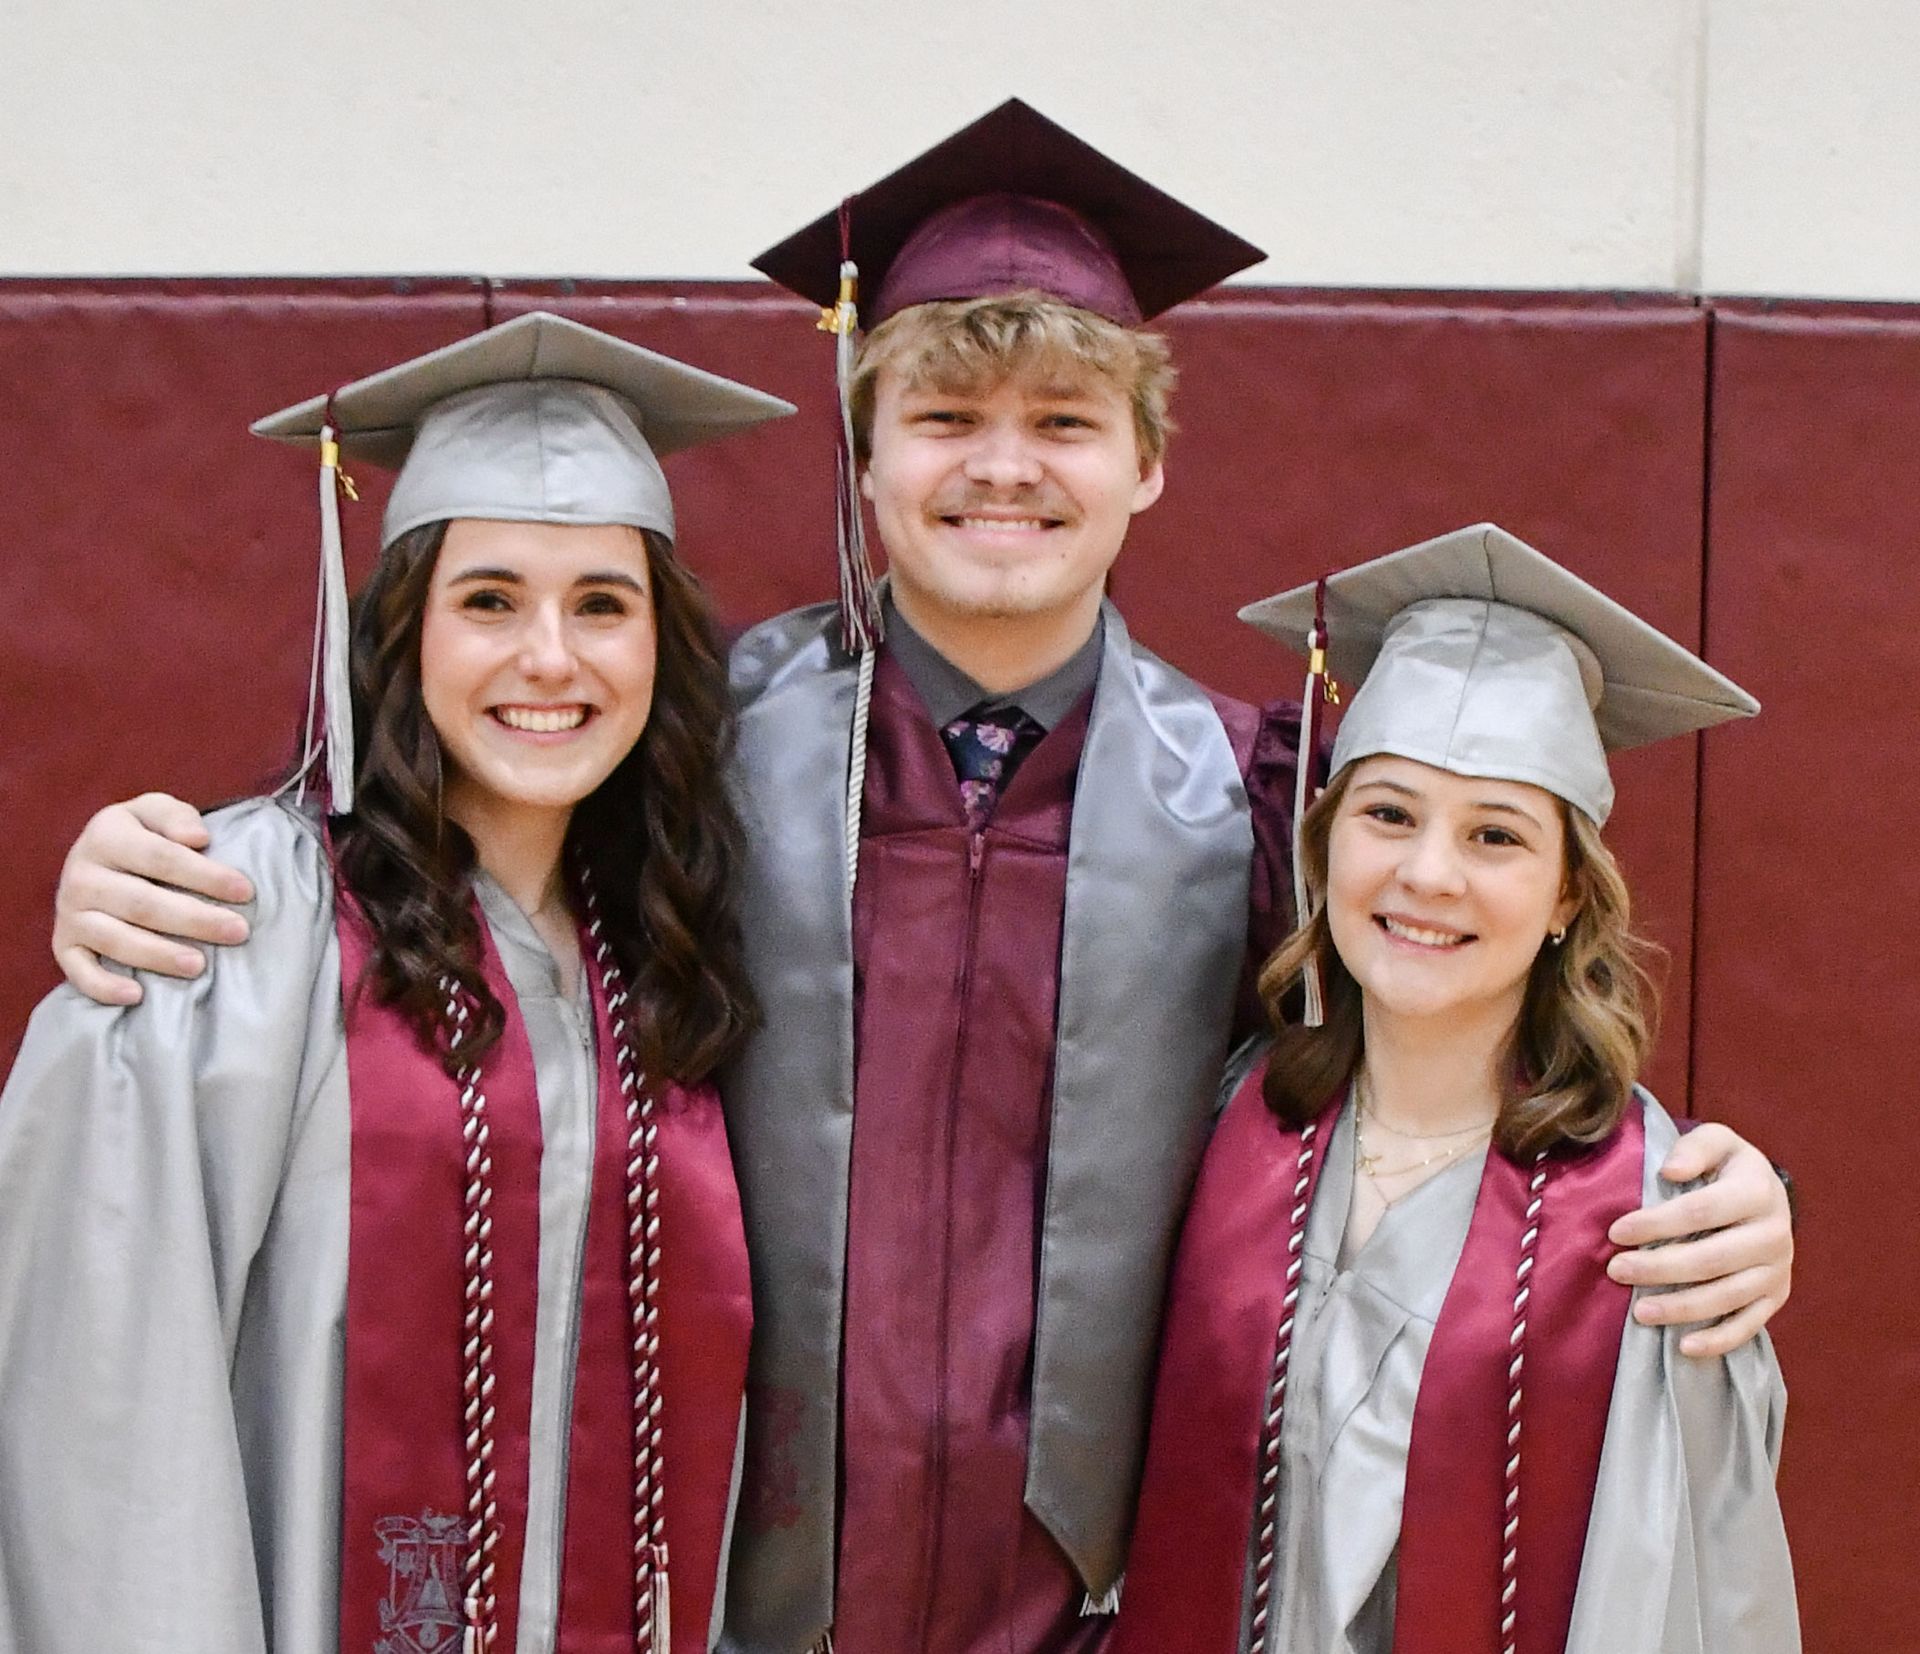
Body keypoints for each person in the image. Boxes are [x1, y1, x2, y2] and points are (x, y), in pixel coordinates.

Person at [41, 106, 1795, 1654]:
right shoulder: (682, 756)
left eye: (1065, 419)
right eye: (945, 410)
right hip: (721, 1594)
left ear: (1149, 463)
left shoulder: (1272, 801)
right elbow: (435, 852)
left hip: (1090, 1615)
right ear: (864, 450)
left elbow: (1446, 1045)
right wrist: (146, 875)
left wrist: (1712, 1196)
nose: (1005, 463)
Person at [0, 312, 792, 1653]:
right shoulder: (228, 922)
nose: (552, 657)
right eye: (489, 599)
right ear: (399, 631)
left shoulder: (665, 948)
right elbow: (99, 1416)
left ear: (663, 648)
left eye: (603, 602)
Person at [1114, 523, 1798, 1654]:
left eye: (1496, 834)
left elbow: (1687, 1609)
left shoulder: (1653, 1231)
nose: (1429, 874)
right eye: (1388, 814)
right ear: (1326, 845)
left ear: (1570, 895)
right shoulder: (1228, 1121)